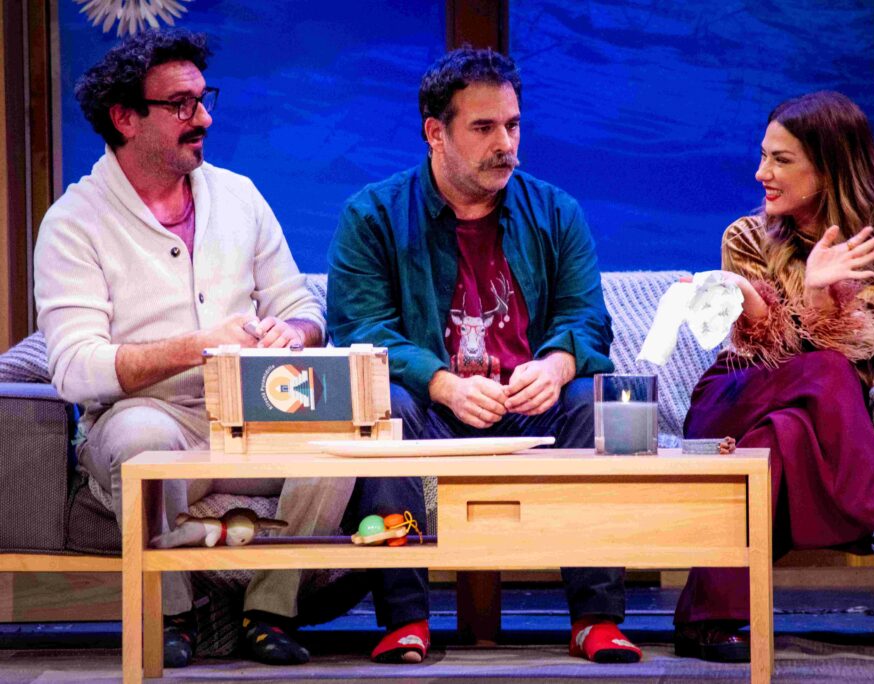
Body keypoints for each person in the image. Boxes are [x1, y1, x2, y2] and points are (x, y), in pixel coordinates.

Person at [34, 30, 428, 668]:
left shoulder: (240, 197)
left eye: (203, 99)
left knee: (338, 441)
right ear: (125, 118)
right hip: (148, 414)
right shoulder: (73, 222)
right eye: (181, 105)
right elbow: (76, 370)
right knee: (141, 438)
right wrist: (198, 347)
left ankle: (270, 609)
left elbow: (304, 308)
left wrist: (294, 333)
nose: (204, 118)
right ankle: (171, 612)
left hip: (253, 418)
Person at [327, 47, 642, 664]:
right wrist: (443, 383)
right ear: (435, 133)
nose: (506, 144)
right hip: (431, 412)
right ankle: (406, 620)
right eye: (484, 127)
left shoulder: (556, 211)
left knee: (589, 400)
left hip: (530, 412)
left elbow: (587, 320)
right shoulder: (373, 216)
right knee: (384, 403)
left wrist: (555, 366)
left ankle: (596, 619)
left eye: (513, 125)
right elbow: (360, 330)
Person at [672, 91, 874, 663]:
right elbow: (758, 352)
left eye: (781, 160)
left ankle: (706, 619)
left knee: (782, 436)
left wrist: (820, 298)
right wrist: (807, 297)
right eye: (763, 155)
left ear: (831, 167)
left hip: (814, 409)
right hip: (735, 395)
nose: (761, 173)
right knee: (828, 373)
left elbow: (863, 345)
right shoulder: (745, 237)